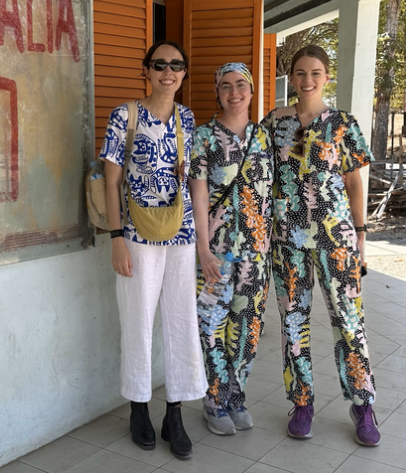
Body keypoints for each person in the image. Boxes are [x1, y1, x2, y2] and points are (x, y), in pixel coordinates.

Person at [262, 45, 381, 446]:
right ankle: (302, 402)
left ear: (326, 77)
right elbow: (261, 178)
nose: (307, 80)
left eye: (315, 72)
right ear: (291, 78)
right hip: (287, 240)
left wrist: (360, 236)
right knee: (293, 321)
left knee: (349, 321)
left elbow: (352, 182)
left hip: (336, 238)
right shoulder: (274, 124)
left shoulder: (343, 123)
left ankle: (363, 404)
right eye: (300, 73)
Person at [99, 40, 206, 460]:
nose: (168, 71)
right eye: (159, 64)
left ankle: (174, 413)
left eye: (176, 65)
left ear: (183, 73)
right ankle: (138, 408)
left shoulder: (187, 118)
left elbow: (195, 180)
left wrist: (202, 238)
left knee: (181, 322)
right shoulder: (124, 115)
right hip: (136, 236)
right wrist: (115, 238)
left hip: (180, 234)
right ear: (146, 69)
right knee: (138, 320)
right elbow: (110, 182)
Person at [188, 63, 273, 435]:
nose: (234, 92)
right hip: (216, 253)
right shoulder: (203, 136)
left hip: (256, 253)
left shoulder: (266, 137)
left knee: (247, 328)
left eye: (241, 85)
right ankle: (213, 399)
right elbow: (199, 194)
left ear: (252, 91)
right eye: (225, 86)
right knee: (210, 326)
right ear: (217, 92)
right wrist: (203, 250)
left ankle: (234, 397)